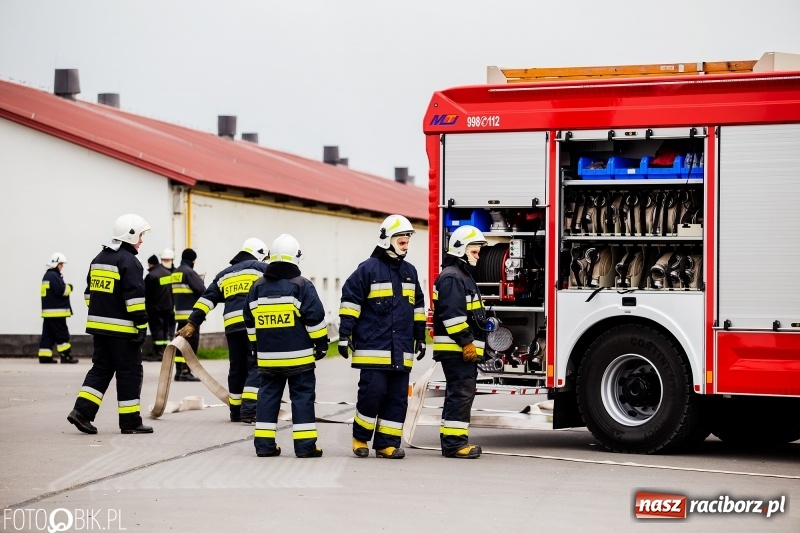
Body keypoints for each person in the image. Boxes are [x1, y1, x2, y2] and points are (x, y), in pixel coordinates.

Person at [338, 214, 426, 459]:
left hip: (402, 349)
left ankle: (386, 444)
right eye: (402, 239)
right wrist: (344, 334)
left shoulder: (410, 272)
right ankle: (360, 438)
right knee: (372, 394)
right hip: (373, 348)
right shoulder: (367, 269)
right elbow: (350, 302)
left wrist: (420, 335)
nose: (407, 244)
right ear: (388, 240)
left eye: (408, 239)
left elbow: (418, 305)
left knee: (397, 399)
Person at [67, 214, 153, 435]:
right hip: (123, 332)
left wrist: (103, 313)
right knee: (130, 373)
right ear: (130, 234)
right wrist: (141, 325)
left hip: (99, 329)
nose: (142, 240)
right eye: (140, 235)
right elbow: (134, 298)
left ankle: (81, 413)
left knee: (100, 370)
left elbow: (89, 296)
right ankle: (130, 421)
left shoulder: (99, 258)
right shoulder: (130, 261)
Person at [243, 234, 328, 458]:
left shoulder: (257, 287)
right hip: (299, 359)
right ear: (296, 257)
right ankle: (305, 446)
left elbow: (249, 320)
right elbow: (315, 318)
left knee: (268, 398)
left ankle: (264, 446)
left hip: (268, 359)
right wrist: (321, 344)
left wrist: (254, 346)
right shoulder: (301, 285)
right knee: (302, 398)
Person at [177, 238, 269, 422]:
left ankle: (235, 411)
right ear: (259, 253)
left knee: (237, 368)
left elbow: (207, 299)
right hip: (253, 324)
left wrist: (192, 323)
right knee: (255, 365)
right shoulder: (260, 269)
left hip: (232, 327)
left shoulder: (225, 274)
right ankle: (249, 411)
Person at [431, 225, 488, 459]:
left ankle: (452, 442)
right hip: (456, 349)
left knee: (459, 392)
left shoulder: (460, 275)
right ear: (461, 250)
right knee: (460, 393)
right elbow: (453, 316)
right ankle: (454, 444)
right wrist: (466, 342)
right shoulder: (453, 277)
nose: (478, 257)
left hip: (458, 349)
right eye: (474, 252)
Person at [171, 248, 205, 381]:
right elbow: (202, 291)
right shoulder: (189, 272)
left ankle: (179, 371)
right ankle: (186, 371)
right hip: (191, 316)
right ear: (193, 259)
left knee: (180, 343)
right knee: (191, 344)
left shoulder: (176, 272)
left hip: (179, 315)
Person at [39, 252, 78, 364]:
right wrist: (70, 287)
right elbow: (61, 290)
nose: (62, 267)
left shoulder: (47, 276)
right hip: (56, 312)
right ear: (55, 264)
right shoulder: (53, 276)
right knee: (62, 334)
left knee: (48, 334)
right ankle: (66, 356)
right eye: (61, 264)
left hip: (48, 312)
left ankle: (44, 356)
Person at [143, 254, 174, 362]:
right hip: (168, 307)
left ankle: (158, 353)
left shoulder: (151, 276)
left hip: (155, 309)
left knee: (157, 330)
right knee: (166, 330)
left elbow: (146, 294)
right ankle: (167, 352)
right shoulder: (168, 273)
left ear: (151, 264)